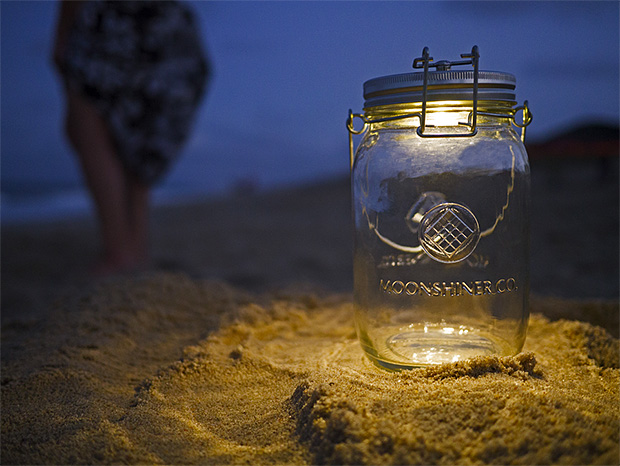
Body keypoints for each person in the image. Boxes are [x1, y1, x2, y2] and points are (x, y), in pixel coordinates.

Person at [52, 0, 210, 276]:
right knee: (140, 135)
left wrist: (63, 33)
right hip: (169, 22)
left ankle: (119, 251)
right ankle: (134, 247)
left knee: (91, 127)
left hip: (117, 18)